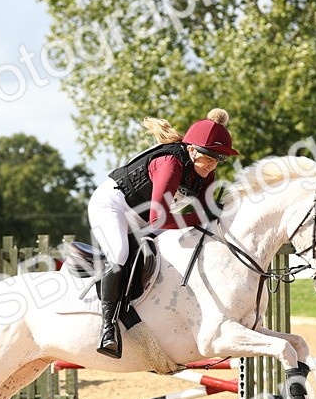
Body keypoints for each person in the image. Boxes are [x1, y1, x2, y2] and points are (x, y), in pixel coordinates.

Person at [88, 108, 238, 359]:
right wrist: (203, 217)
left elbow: (206, 215)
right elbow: (161, 219)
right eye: (209, 156)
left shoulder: (205, 174)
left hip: (144, 217)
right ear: (192, 150)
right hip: (113, 205)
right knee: (120, 253)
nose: (212, 163)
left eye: (218, 158)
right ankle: (108, 328)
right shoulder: (170, 164)